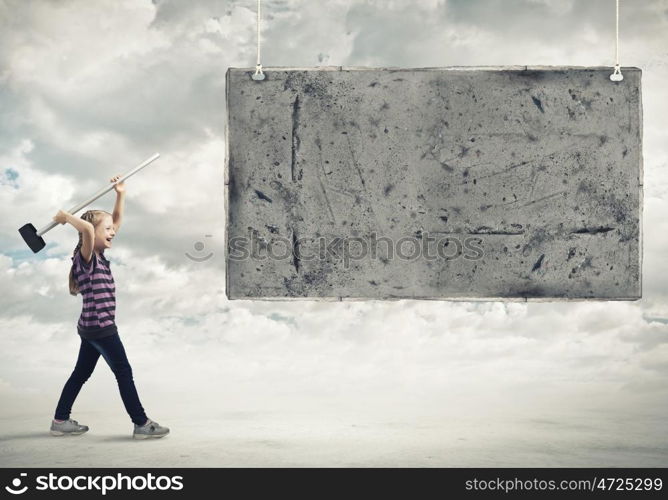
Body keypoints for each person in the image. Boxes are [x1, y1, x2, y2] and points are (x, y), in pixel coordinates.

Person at [50, 174, 169, 440]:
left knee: (81, 373)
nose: (113, 231)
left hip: (90, 328)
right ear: (90, 236)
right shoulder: (86, 258)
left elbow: (110, 223)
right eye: (108, 230)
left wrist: (121, 194)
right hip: (102, 328)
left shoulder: (100, 257)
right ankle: (141, 423)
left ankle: (60, 420)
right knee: (124, 372)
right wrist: (67, 217)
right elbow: (89, 230)